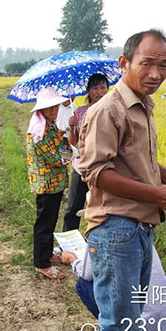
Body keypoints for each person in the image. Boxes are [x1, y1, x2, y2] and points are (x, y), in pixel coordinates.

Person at [78, 29, 166, 331]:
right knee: (118, 327)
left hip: (138, 229)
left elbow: (136, 161)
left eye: (164, 65)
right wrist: (158, 195)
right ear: (124, 63)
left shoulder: (143, 105)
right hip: (115, 230)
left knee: (130, 320)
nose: (156, 74)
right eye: (147, 63)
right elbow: (96, 172)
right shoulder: (108, 110)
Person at [27, 87, 70, 280]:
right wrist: (68, 151)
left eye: (56, 107)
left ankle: (47, 254)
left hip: (54, 183)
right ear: (41, 109)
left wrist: (64, 137)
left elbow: (61, 147)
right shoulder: (40, 131)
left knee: (50, 220)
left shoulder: (49, 126)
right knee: (44, 223)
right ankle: (41, 264)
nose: (54, 111)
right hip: (47, 184)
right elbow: (57, 158)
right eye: (50, 107)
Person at [62, 73, 109, 231]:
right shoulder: (80, 112)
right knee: (73, 208)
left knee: (104, 208)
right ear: (88, 91)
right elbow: (73, 142)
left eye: (103, 87)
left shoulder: (114, 111)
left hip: (105, 168)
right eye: (95, 88)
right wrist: (72, 126)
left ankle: (99, 239)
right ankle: (68, 240)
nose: (99, 92)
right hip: (82, 166)